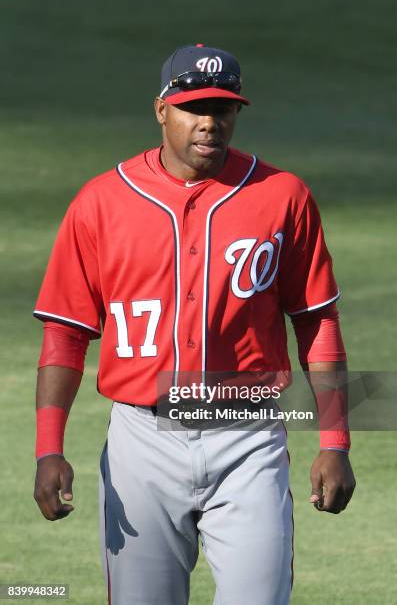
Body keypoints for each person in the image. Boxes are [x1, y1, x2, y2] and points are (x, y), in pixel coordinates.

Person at [33, 44, 356, 605]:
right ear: (161, 109)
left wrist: (336, 440)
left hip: (248, 438)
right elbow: (65, 334)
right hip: (142, 444)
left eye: (224, 109)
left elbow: (316, 322)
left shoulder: (283, 197)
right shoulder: (100, 203)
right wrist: (47, 449)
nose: (209, 123)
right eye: (193, 107)